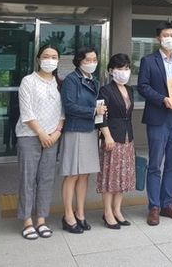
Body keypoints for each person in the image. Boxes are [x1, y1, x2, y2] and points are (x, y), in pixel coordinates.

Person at [138, 21, 172, 226]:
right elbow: (143, 86)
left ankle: (167, 203)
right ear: (158, 38)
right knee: (155, 164)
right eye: (166, 35)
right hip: (158, 117)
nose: (169, 39)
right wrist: (162, 99)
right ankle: (154, 206)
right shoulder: (148, 61)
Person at [15, 44, 64, 240]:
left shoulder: (59, 83)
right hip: (29, 135)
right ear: (38, 59)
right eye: (46, 56)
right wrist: (42, 134)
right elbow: (26, 112)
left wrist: (57, 133)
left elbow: (63, 112)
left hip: (53, 138)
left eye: (54, 57)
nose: (50, 60)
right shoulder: (28, 81)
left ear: (58, 60)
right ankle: (27, 220)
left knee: (46, 179)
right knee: (27, 179)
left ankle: (41, 219)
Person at [59, 46, 106, 234]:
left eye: (95, 60)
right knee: (72, 174)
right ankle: (68, 215)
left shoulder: (94, 81)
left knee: (85, 174)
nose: (92, 63)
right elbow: (69, 106)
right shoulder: (71, 79)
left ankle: (80, 213)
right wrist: (93, 111)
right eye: (88, 60)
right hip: (75, 130)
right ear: (79, 61)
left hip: (90, 130)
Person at [97, 53, 136, 229]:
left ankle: (117, 210)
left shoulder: (129, 89)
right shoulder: (105, 90)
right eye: (120, 68)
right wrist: (107, 135)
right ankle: (107, 212)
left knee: (123, 176)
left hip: (127, 137)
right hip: (112, 137)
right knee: (110, 176)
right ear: (112, 70)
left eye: (127, 68)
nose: (124, 72)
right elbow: (100, 116)